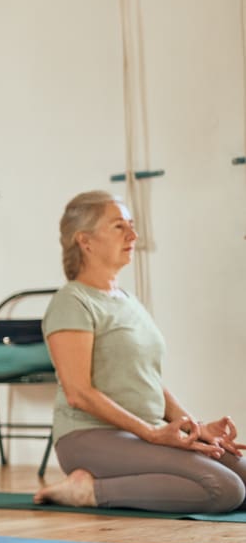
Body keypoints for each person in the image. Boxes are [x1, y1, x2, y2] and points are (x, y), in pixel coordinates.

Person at [33, 191, 244, 512]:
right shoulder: (72, 301)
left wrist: (193, 427)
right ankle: (87, 490)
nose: (133, 235)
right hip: (89, 437)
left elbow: (147, 379)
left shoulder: (127, 300)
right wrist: (152, 433)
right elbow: (79, 393)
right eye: (119, 226)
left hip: (142, 433)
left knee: (243, 477)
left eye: (131, 225)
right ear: (85, 241)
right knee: (224, 490)